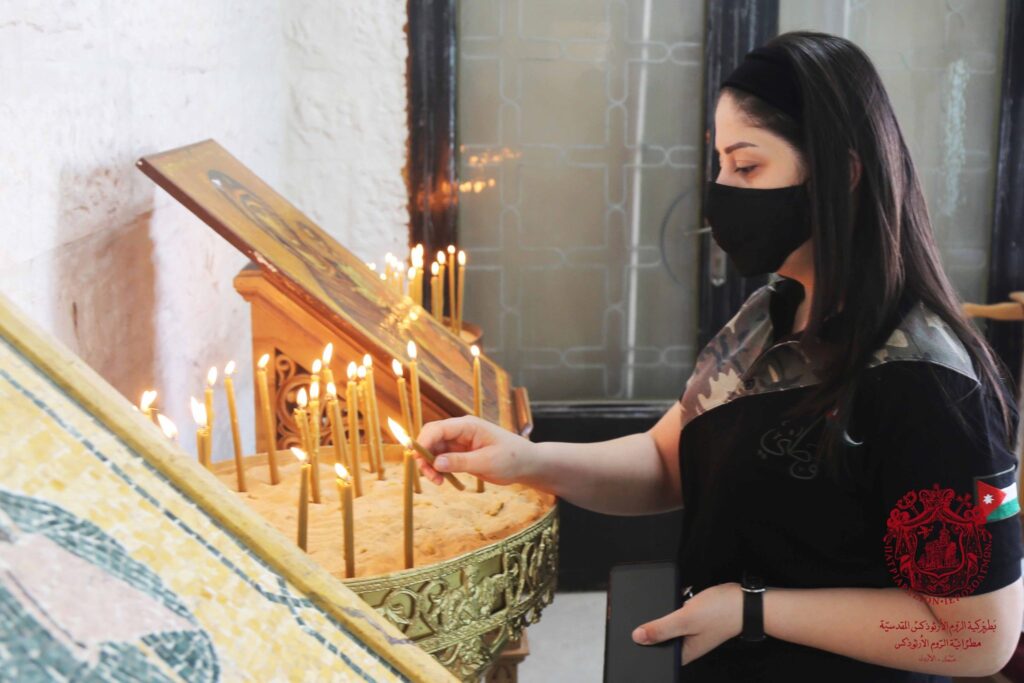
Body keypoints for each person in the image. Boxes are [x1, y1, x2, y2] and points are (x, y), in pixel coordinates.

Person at [414, 31, 1023, 681]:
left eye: (747, 166)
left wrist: (754, 610)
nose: (721, 190)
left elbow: (977, 635)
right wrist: (526, 461)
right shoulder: (767, 314)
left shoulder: (923, 382)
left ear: (841, 172)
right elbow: (664, 460)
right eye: (721, 164)